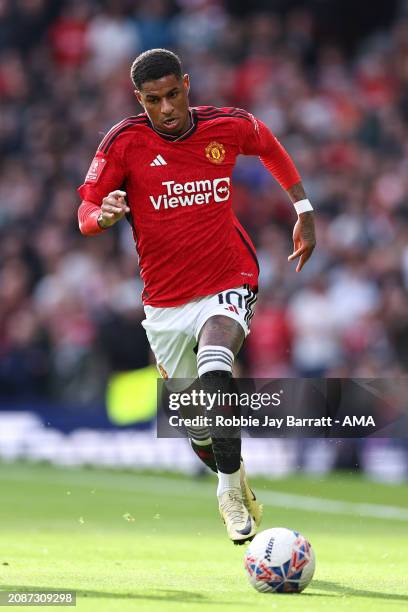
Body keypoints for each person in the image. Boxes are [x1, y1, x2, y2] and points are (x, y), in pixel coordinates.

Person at [77, 48, 316, 544]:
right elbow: (85, 210)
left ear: (187, 84)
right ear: (138, 99)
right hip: (165, 303)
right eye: (154, 100)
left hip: (228, 279)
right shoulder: (123, 142)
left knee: (216, 371)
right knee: (200, 429)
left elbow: (267, 143)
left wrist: (303, 207)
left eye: (173, 94)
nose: (166, 108)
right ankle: (234, 473)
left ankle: (228, 492)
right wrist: (103, 216)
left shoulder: (225, 125)